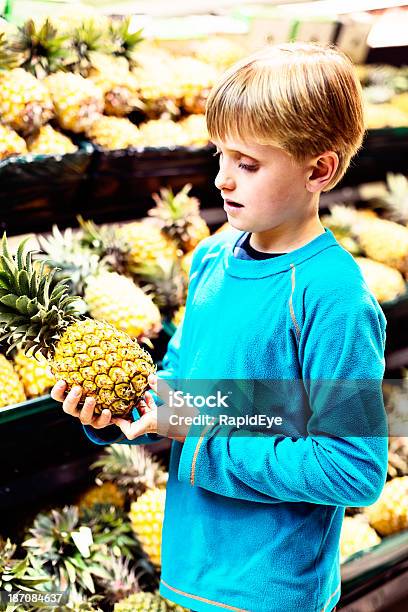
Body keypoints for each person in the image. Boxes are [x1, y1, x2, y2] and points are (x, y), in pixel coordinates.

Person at [51, 42, 388, 612]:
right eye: (220, 157)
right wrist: (118, 414)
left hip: (272, 593)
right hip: (189, 570)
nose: (222, 180)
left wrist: (203, 441)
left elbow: (353, 468)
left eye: (247, 164)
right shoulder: (212, 258)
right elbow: (186, 393)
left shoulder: (333, 297)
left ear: (320, 169)